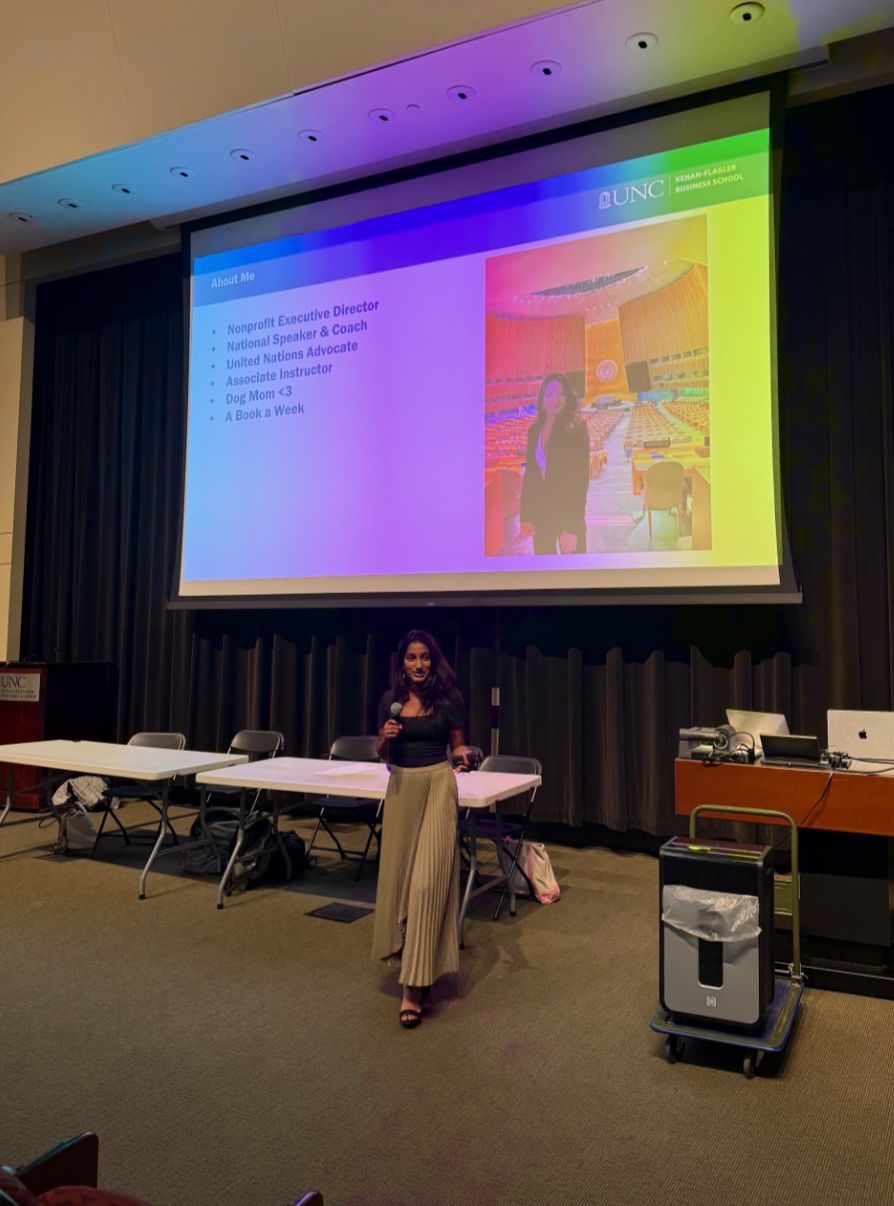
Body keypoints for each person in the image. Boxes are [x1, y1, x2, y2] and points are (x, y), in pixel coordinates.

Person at [372, 629, 471, 1029]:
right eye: (411, 658)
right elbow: (381, 754)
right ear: (402, 663)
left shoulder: (449, 698)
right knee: (401, 885)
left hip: (438, 785)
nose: (418, 664)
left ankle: (411, 989)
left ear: (434, 660)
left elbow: (460, 746)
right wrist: (383, 737)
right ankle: (416, 964)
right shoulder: (389, 702)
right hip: (401, 789)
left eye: (425, 657)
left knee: (427, 885)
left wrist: (467, 757)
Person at [518, 372, 590, 554]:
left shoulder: (577, 428)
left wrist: (572, 527)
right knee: (545, 576)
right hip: (541, 517)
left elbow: (580, 481)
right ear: (542, 398)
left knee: (575, 577)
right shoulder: (534, 431)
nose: (554, 400)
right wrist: (525, 515)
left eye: (560, 394)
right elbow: (530, 475)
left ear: (568, 396)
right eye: (548, 395)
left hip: (569, 516)